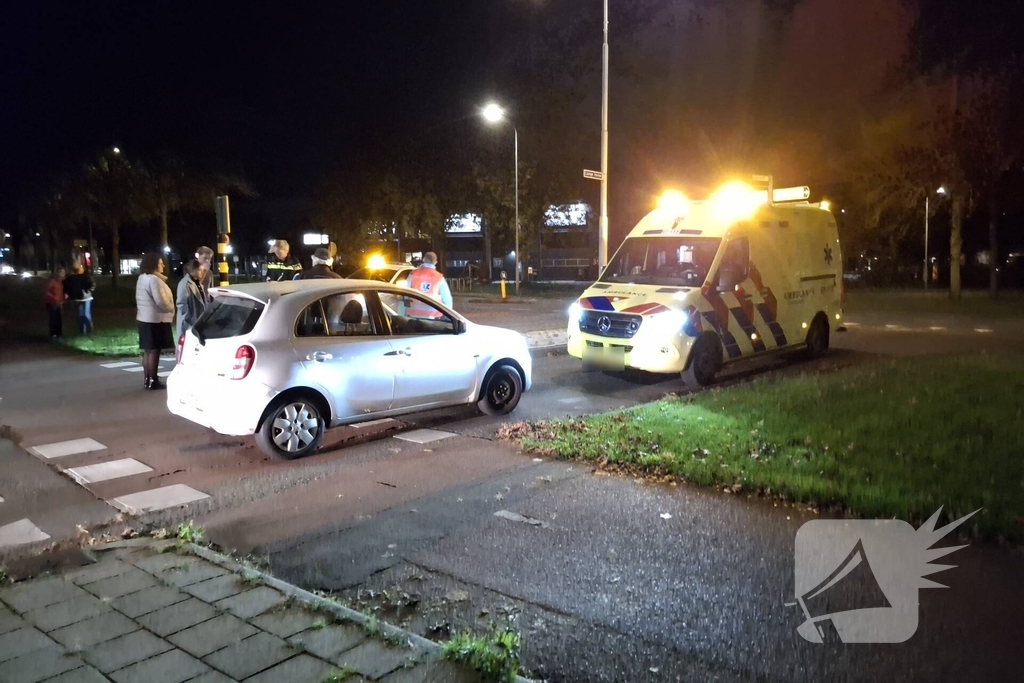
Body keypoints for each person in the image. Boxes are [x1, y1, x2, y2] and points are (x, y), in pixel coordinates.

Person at [136, 252, 175, 391]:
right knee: (155, 350)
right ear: (153, 264)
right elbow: (160, 301)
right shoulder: (154, 280)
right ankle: (154, 380)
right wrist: (170, 307)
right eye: (160, 263)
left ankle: (147, 379)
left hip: (144, 318)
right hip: (156, 319)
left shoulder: (142, 278)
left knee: (148, 350)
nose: (163, 265)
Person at [404, 251, 452, 318]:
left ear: (423, 259)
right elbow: (447, 300)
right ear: (435, 262)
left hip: (413, 316)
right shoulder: (439, 277)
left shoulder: (413, 274)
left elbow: (405, 293)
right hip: (433, 318)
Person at [176, 259, 208, 336]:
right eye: (200, 270)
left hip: (197, 320)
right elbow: (181, 303)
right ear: (193, 270)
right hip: (190, 322)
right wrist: (188, 318)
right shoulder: (185, 283)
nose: (202, 272)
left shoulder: (197, 282)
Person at [63, 263, 94, 335]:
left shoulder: (86, 276)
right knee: (80, 315)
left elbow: (91, 284)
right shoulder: (71, 277)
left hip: (86, 298)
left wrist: (88, 290)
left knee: (85, 314)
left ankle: (89, 329)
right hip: (77, 298)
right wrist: (68, 293)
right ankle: (82, 331)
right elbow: (66, 286)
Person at [44, 268, 66, 339]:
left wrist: (62, 300)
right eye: (62, 272)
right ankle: (53, 333)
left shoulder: (61, 282)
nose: (63, 274)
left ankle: (59, 333)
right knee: (53, 318)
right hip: (53, 303)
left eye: (64, 272)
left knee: (59, 318)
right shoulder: (52, 281)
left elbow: (62, 292)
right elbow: (47, 292)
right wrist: (53, 298)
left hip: (59, 302)